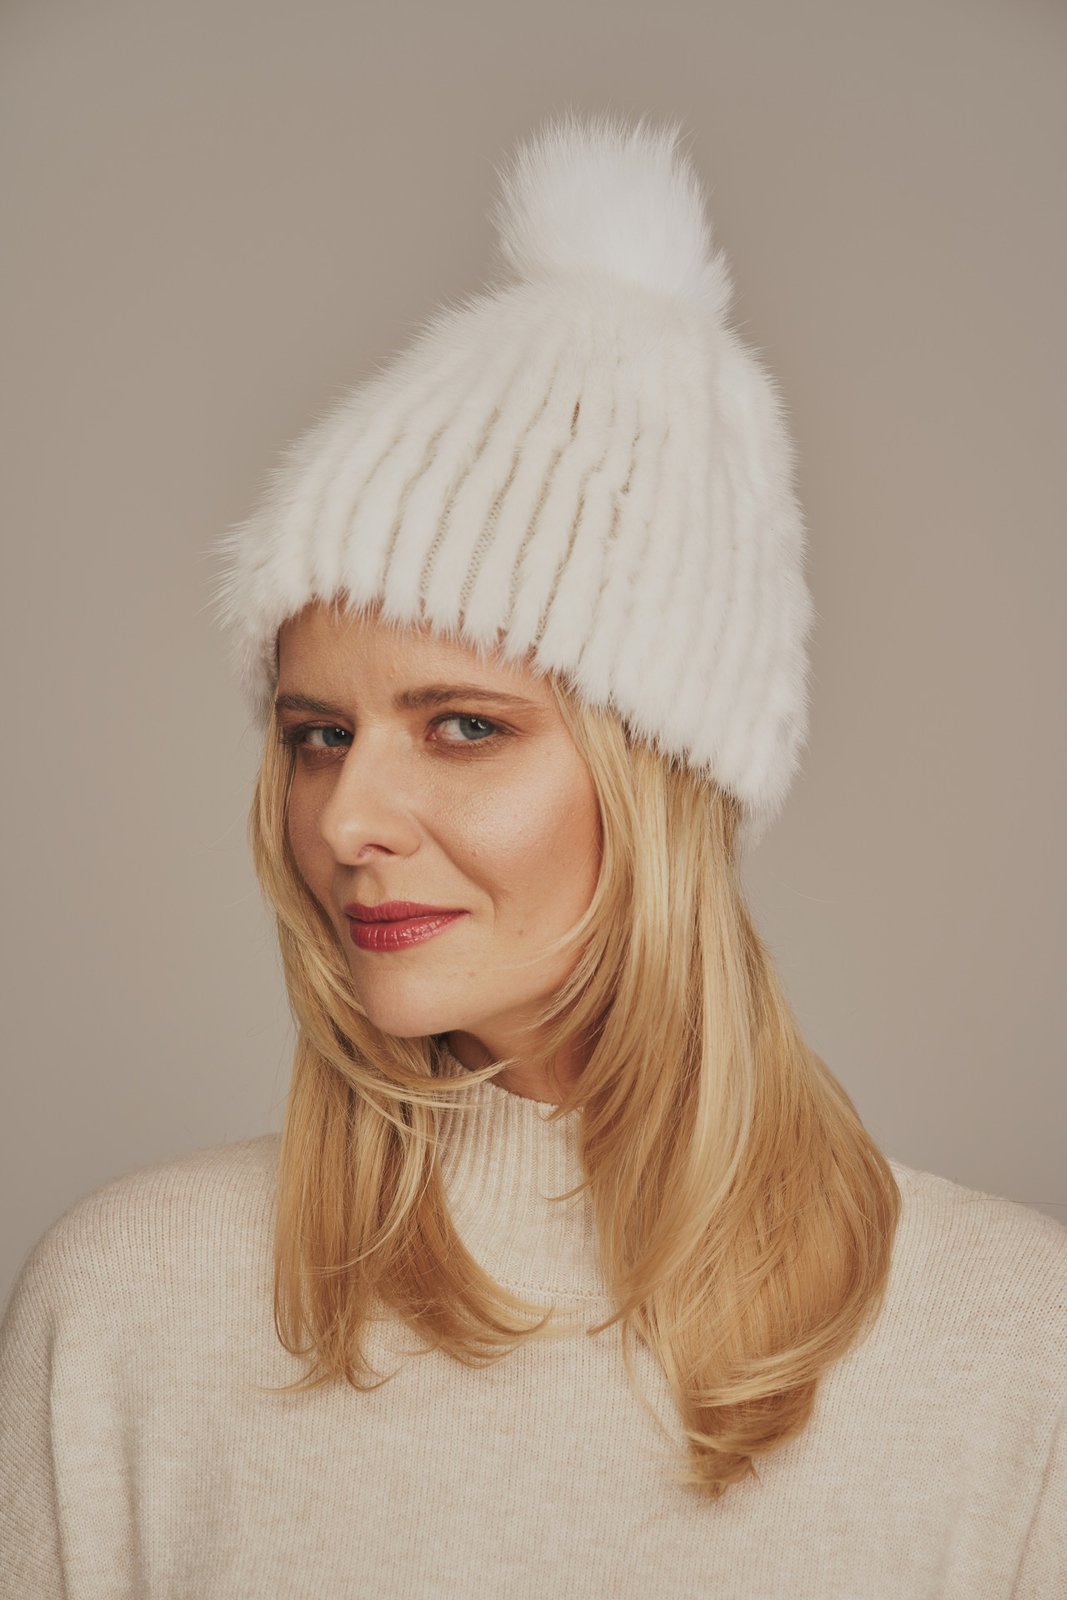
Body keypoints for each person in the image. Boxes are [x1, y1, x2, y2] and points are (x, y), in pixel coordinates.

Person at [1, 109, 1063, 1599]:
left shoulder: (1011, 1350)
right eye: (318, 735)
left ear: (665, 783)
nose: (348, 821)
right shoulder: (127, 1308)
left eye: (462, 728)